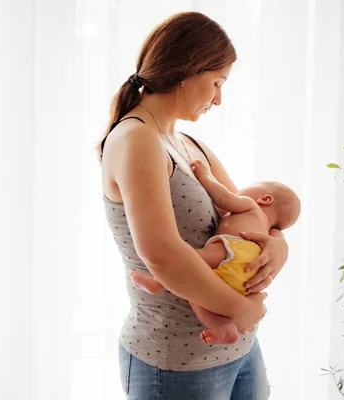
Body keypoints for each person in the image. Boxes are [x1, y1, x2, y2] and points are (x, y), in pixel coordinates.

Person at [98, 12, 289, 399]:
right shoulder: (136, 139)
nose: (219, 98)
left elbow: (250, 214)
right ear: (187, 69)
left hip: (238, 349)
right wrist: (242, 310)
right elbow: (163, 256)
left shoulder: (188, 144)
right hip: (175, 360)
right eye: (217, 83)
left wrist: (278, 245)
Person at [131, 159, 301, 345]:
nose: (241, 189)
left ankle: (158, 282)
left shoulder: (250, 205)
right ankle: (223, 326)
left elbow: (223, 198)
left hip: (236, 247)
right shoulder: (266, 229)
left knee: (192, 260)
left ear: (265, 199)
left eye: (251, 186)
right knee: (195, 295)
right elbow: (276, 237)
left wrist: (205, 175)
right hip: (248, 273)